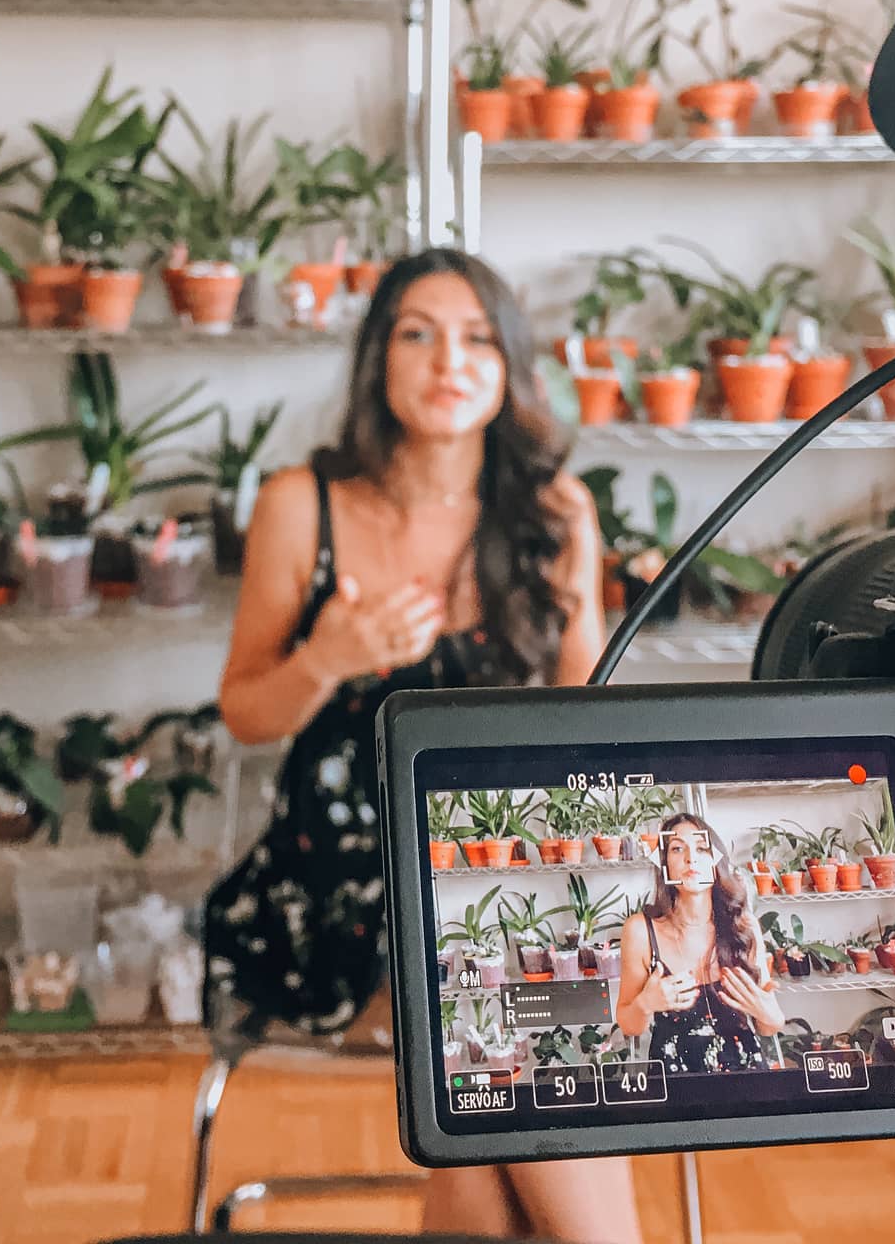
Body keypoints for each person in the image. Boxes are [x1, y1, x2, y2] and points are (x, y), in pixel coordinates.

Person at [204, 249, 641, 1243]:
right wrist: (327, 657)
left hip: (515, 863)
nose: (450, 360)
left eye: (478, 337)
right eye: (418, 333)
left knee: (503, 1042)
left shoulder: (556, 512)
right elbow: (246, 712)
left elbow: (590, 718)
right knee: (514, 1002)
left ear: (510, 365)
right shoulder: (302, 504)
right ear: (379, 359)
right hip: (348, 884)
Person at [616, 814, 784, 1073]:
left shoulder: (743, 927)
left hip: (745, 1076)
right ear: (664, 863)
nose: (690, 858)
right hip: (675, 1080)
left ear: (716, 860)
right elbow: (630, 1025)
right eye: (677, 849)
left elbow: (770, 1025)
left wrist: (765, 1011)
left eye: (702, 848)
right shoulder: (641, 931)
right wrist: (646, 1003)